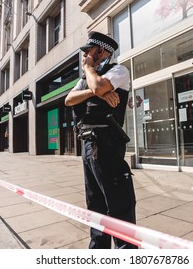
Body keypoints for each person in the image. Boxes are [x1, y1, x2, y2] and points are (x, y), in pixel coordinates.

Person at [65, 31, 137, 249]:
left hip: (107, 143)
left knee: (119, 204)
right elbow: (69, 100)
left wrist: (92, 80)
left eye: (89, 51)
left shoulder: (119, 70)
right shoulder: (89, 77)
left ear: (102, 51)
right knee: (95, 204)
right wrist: (93, 92)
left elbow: (98, 86)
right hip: (88, 144)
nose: (86, 55)